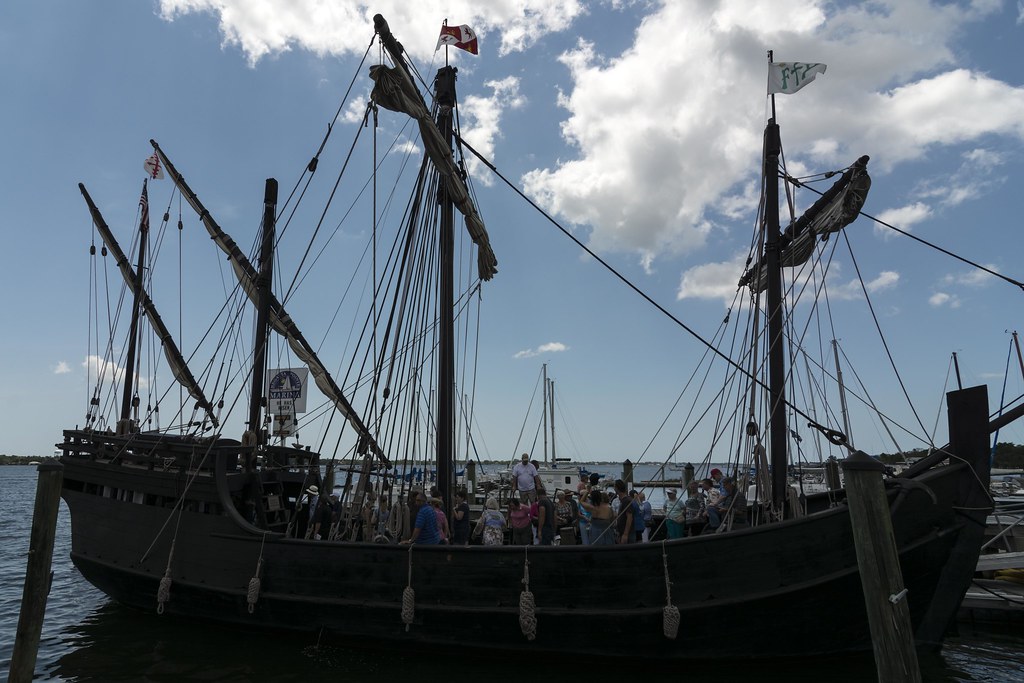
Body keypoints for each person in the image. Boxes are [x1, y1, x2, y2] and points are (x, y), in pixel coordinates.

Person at [613, 480, 635, 544]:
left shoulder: (626, 501)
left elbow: (629, 517)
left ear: (617, 488)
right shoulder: (623, 500)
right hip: (621, 532)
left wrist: (625, 534)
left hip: (627, 534)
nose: (614, 489)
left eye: (614, 487)